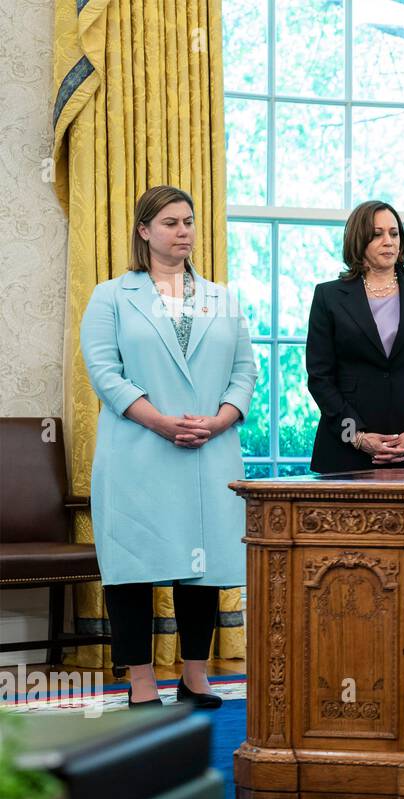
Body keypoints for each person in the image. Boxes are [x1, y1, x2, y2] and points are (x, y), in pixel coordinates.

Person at [81, 185, 258, 708]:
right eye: (171, 223)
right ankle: (140, 679)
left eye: (189, 222)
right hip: (139, 450)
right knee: (133, 564)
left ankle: (195, 675)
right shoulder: (111, 296)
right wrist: (158, 421)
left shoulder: (221, 298)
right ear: (145, 231)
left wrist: (221, 420)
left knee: (200, 566)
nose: (183, 232)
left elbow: (245, 372)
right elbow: (104, 373)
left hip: (209, 450)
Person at [305, 200, 404, 473]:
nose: (388, 242)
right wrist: (356, 436)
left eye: (394, 234)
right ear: (359, 240)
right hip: (345, 450)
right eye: (377, 234)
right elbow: (320, 377)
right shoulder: (328, 296)